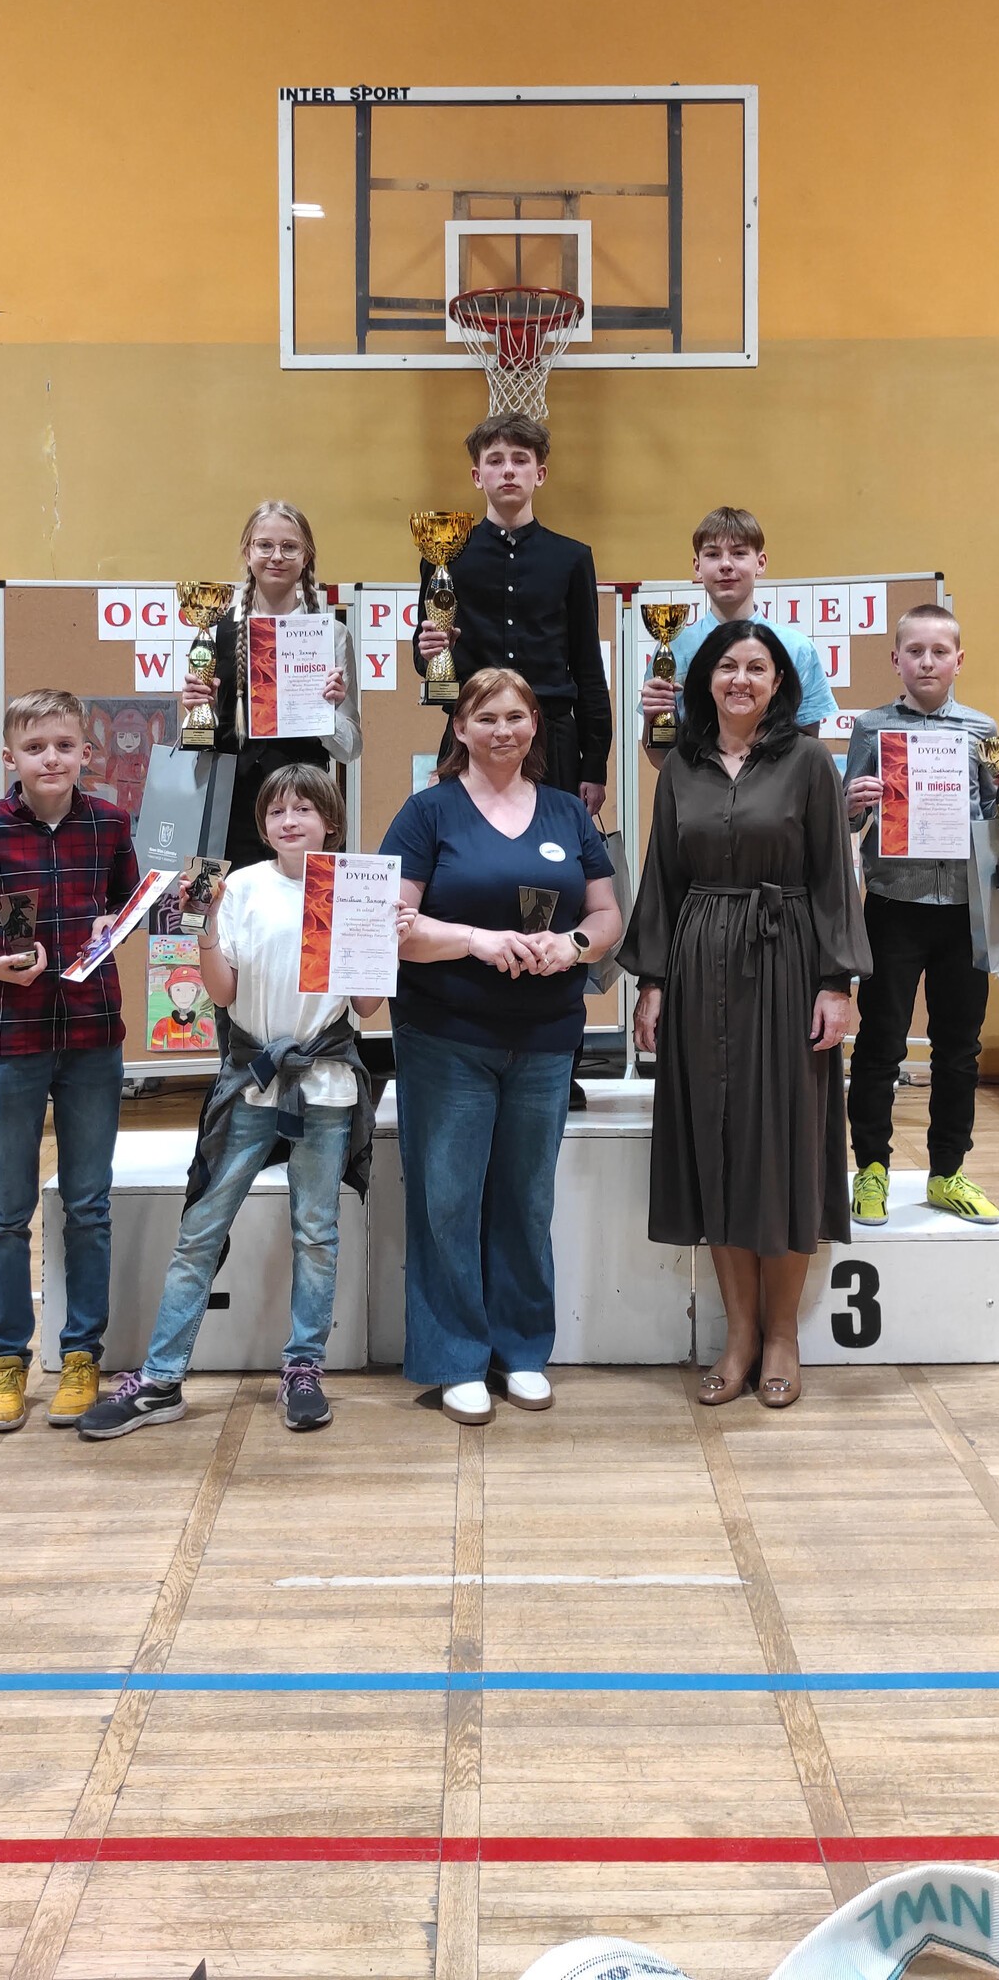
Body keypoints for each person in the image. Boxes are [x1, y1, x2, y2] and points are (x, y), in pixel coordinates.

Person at [80, 765, 380, 1441]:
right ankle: (161, 1379)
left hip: (325, 1084)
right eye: (277, 811)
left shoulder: (352, 886)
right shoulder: (240, 886)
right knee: (201, 1229)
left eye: (304, 809)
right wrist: (206, 926)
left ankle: (303, 1368)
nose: (289, 821)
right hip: (250, 1080)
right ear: (263, 825)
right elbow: (220, 994)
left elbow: (365, 1007)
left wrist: (372, 938)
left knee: (316, 1234)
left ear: (330, 820)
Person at [619, 622, 868, 1410]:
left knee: (785, 1141)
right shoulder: (680, 765)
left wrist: (837, 983)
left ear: (779, 681)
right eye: (727, 665)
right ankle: (739, 1335)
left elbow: (832, 876)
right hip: (699, 963)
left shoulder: (809, 762)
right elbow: (662, 876)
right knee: (716, 1140)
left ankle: (783, 1334)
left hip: (787, 960)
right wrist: (652, 983)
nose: (741, 679)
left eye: (757, 667)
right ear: (705, 678)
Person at [384, 668, 623, 1424]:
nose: (502, 730)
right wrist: (476, 941)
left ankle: (521, 1350)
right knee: (448, 1201)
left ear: (534, 727)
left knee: (526, 1198)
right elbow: (396, 927)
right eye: (485, 717)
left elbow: (608, 915)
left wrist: (573, 945)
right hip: (445, 1035)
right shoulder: (427, 812)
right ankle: (455, 1357)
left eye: (516, 716)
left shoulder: (567, 812)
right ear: (459, 728)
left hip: (546, 1037)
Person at [0, 689, 138, 1434]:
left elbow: (127, 906)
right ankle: (7, 1359)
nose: (51, 759)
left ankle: (82, 1356)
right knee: (6, 1213)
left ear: (86, 753)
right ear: (10, 755)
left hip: (93, 1038)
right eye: (36, 747)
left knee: (89, 1207)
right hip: (10, 1043)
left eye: (65, 746)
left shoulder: (111, 824)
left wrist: (115, 922)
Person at [841, 602, 999, 1226]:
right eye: (915, 651)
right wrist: (853, 802)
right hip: (893, 906)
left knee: (959, 1049)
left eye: (939, 652)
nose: (927, 662)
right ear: (895, 659)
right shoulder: (872, 728)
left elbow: (995, 822)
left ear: (958, 660)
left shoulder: (982, 729)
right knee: (880, 1043)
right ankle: (871, 1168)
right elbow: (848, 821)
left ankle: (947, 1171)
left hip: (963, 912)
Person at [414, 413, 612, 815]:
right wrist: (431, 652)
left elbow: (588, 668)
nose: (508, 470)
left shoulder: (572, 559)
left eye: (520, 460)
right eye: (495, 460)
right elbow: (425, 663)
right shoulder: (445, 556)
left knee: (552, 850)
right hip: (473, 732)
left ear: (540, 474)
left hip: (552, 737)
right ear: (477, 475)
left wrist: (594, 765)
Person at [181, 500, 362, 874]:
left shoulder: (331, 635)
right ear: (247, 552)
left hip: (305, 809)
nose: (276, 556)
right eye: (265, 545)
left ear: (306, 556)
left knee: (308, 910)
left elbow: (351, 748)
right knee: (221, 908)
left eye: (289, 547)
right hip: (228, 809)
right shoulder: (214, 631)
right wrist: (196, 712)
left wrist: (324, 711)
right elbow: (196, 747)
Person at [638, 506, 835, 747]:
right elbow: (662, 756)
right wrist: (653, 715)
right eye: (713, 554)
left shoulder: (797, 649)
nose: (725, 565)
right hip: (694, 771)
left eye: (739, 553)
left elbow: (807, 748)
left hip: (775, 771)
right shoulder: (673, 649)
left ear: (760, 563)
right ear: (697, 567)